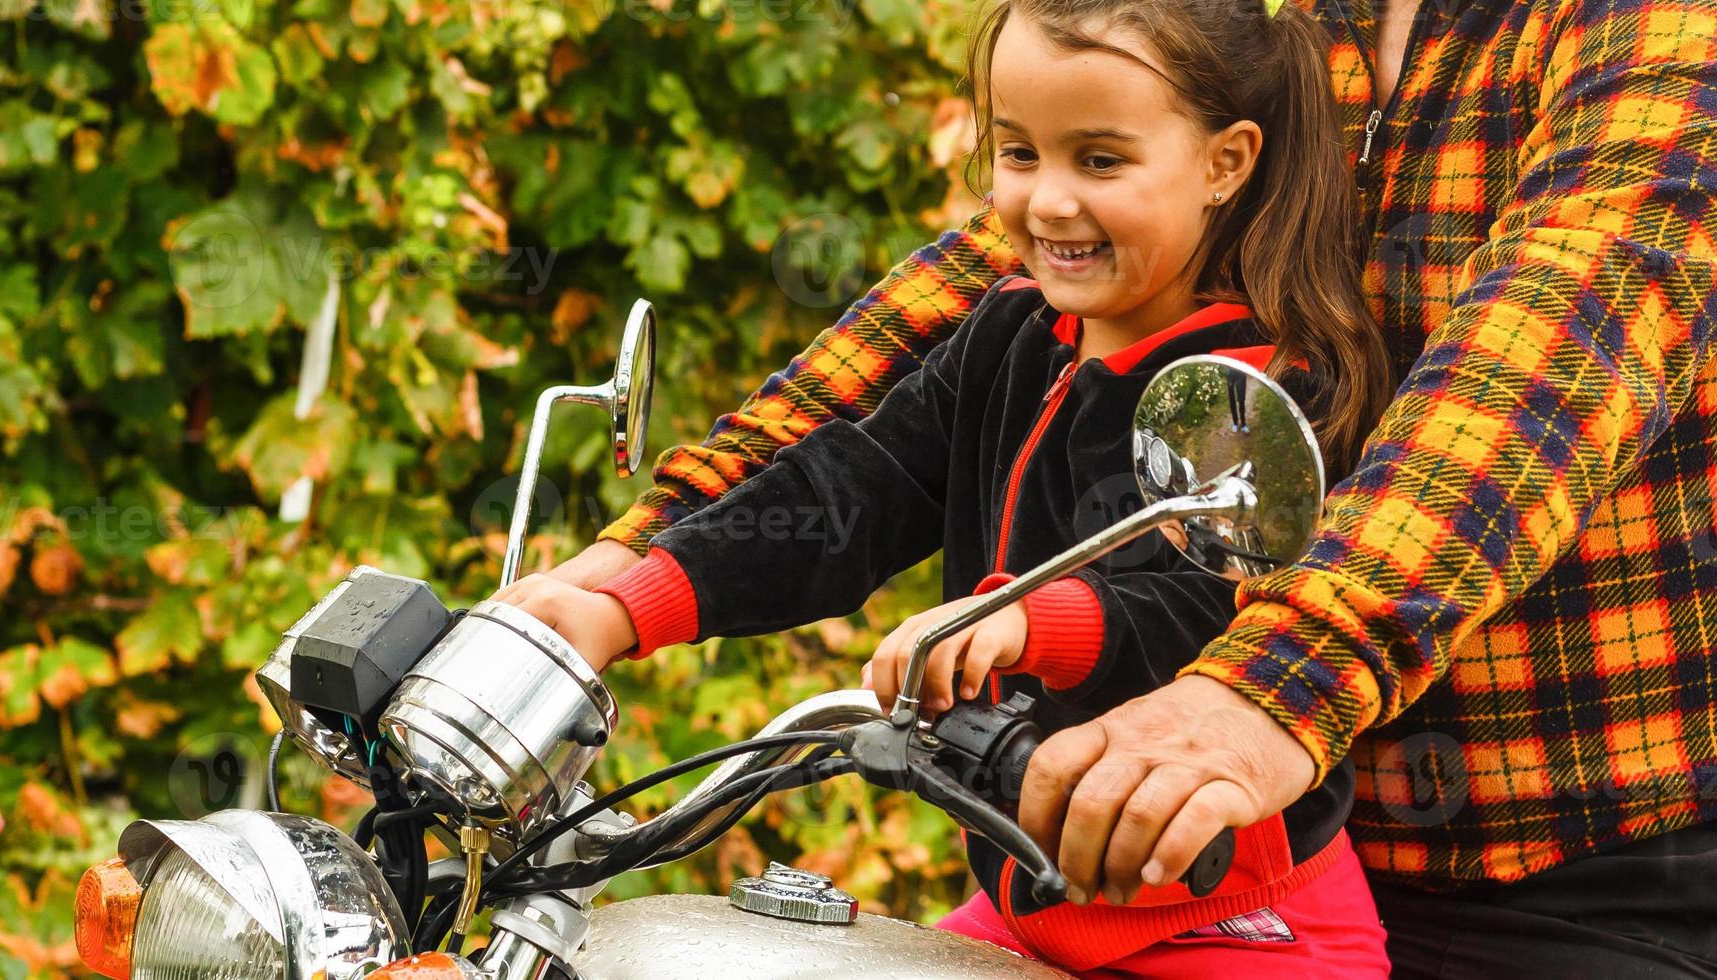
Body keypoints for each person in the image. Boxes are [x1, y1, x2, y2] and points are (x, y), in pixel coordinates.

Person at [534, 0, 1717, 974]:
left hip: (1631, 866)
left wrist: (1262, 690)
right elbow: (977, 298)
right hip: (1255, 833)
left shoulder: (1709, 26)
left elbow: (1551, 352)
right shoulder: (1278, 27)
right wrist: (625, 573)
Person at [498, 2, 1394, 974]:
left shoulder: (1246, 382)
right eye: (1018, 153)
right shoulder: (1007, 333)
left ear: (1224, 163)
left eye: (1098, 160)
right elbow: (851, 492)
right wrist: (626, 606)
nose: (1047, 200)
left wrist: (1023, 622)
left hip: (1228, 923)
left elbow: (1214, 609)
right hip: (1035, 899)